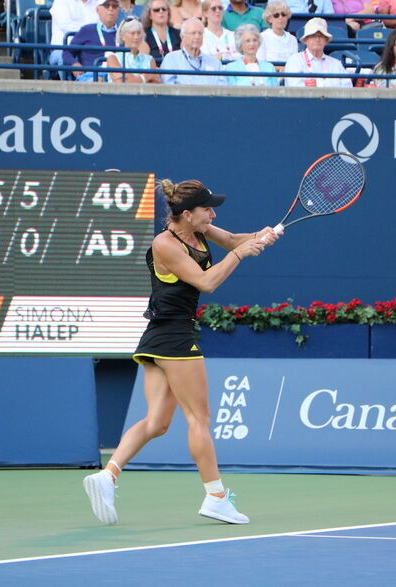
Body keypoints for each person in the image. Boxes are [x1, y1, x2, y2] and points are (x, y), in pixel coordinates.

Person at [82, 179, 279, 526]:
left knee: (157, 422)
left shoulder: (198, 230)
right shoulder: (165, 244)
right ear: (186, 214)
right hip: (173, 337)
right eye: (207, 210)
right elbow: (206, 282)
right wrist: (238, 254)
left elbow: (233, 240)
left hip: (161, 338)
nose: (212, 214)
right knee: (198, 420)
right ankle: (216, 497)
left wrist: (259, 236)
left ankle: (108, 475)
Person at [283, 17, 351, 87]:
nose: (317, 39)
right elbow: (294, 88)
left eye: (321, 36)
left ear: (326, 40)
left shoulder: (336, 64)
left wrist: (317, 84)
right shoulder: (294, 60)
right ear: (306, 40)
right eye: (313, 36)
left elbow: (348, 87)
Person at [61, 0, 120, 81]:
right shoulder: (87, 30)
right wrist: (74, 64)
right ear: (98, 9)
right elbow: (67, 52)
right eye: (106, 5)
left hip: (116, 75)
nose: (111, 9)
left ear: (118, 10)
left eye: (115, 6)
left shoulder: (124, 32)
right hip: (91, 75)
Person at [160, 16, 224, 84]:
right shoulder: (171, 59)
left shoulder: (215, 63)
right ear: (183, 36)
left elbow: (222, 90)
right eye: (193, 33)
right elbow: (168, 88)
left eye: (200, 33)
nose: (197, 37)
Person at [106, 16, 159, 82]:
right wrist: (145, 77)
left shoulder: (150, 59)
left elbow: (154, 85)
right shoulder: (113, 58)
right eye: (132, 33)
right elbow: (121, 83)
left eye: (139, 33)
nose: (136, 37)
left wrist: (131, 78)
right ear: (122, 36)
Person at [257, 1, 297, 70]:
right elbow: (261, 63)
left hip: (289, 76)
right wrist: (279, 68)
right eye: (276, 15)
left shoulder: (293, 39)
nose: (280, 17)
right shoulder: (262, 37)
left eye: (283, 14)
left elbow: (295, 64)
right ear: (269, 19)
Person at [143, 0, 180, 64]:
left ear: (168, 13)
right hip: (154, 72)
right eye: (156, 10)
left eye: (164, 9)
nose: (161, 11)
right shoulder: (144, 36)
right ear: (149, 15)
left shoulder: (179, 34)